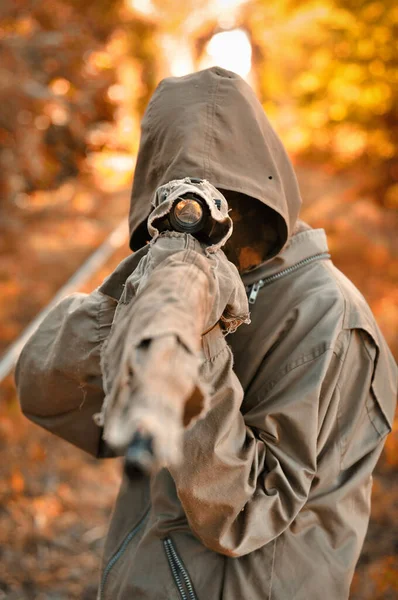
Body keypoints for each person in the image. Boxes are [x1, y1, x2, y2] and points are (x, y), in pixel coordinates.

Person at [15, 67, 397, 600]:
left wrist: (202, 345)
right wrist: (145, 292)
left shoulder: (327, 318)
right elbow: (49, 396)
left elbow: (245, 514)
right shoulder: (195, 276)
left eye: (227, 198)